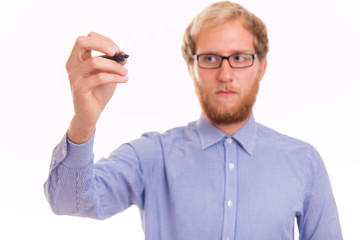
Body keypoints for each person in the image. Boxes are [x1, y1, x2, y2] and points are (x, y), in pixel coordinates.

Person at [44, 1, 342, 239]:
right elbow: (69, 201)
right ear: (192, 67)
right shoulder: (152, 156)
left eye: (239, 58)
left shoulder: (303, 162)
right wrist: (84, 122)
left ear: (261, 67)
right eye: (210, 58)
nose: (225, 74)